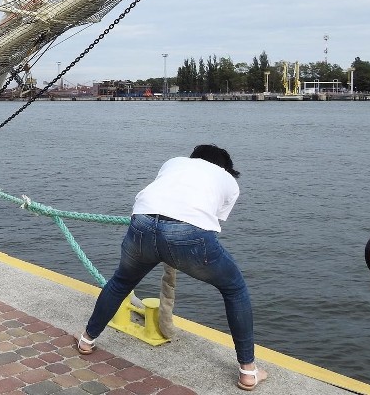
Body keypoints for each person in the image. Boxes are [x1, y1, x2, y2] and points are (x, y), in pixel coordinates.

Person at [76, 144, 267, 391]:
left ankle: (86, 340)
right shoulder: (229, 181)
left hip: (142, 224)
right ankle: (248, 371)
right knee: (234, 289)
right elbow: (209, 221)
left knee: (121, 282)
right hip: (188, 234)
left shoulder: (173, 162)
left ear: (194, 158)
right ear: (225, 167)